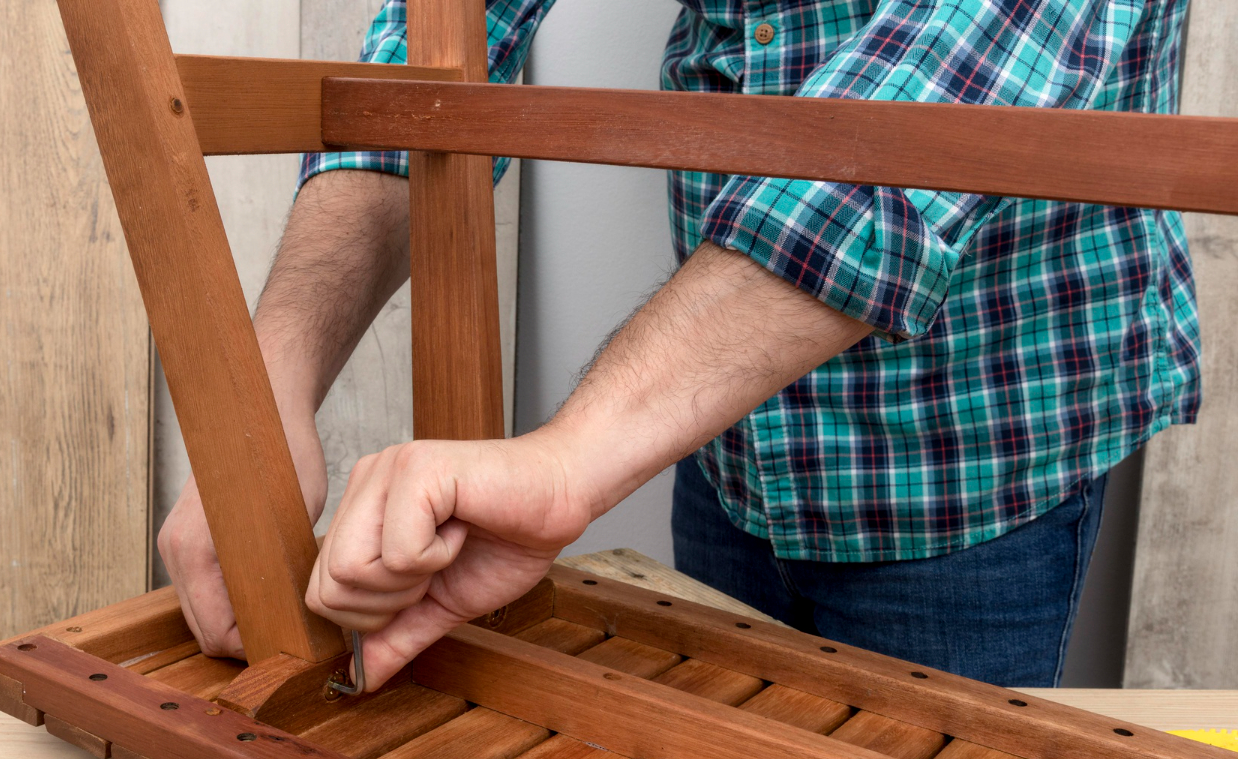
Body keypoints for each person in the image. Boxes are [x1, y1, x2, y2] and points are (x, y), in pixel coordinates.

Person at [158, 0, 1198, 692]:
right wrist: (266, 387)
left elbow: (923, 114)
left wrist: (567, 460)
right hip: (733, 441)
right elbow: (433, 46)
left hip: (972, 457)